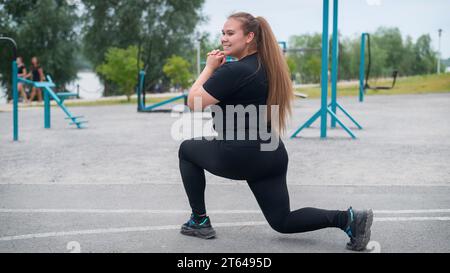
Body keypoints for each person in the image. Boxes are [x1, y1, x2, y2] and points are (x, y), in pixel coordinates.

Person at [178, 12, 373, 251]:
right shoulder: (268, 67)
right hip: (272, 154)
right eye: (223, 33)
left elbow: (193, 102)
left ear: (249, 37)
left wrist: (208, 68)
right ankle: (349, 218)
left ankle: (199, 220)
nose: (223, 39)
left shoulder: (233, 71)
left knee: (186, 149)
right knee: (283, 221)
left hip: (240, 154)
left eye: (230, 33)